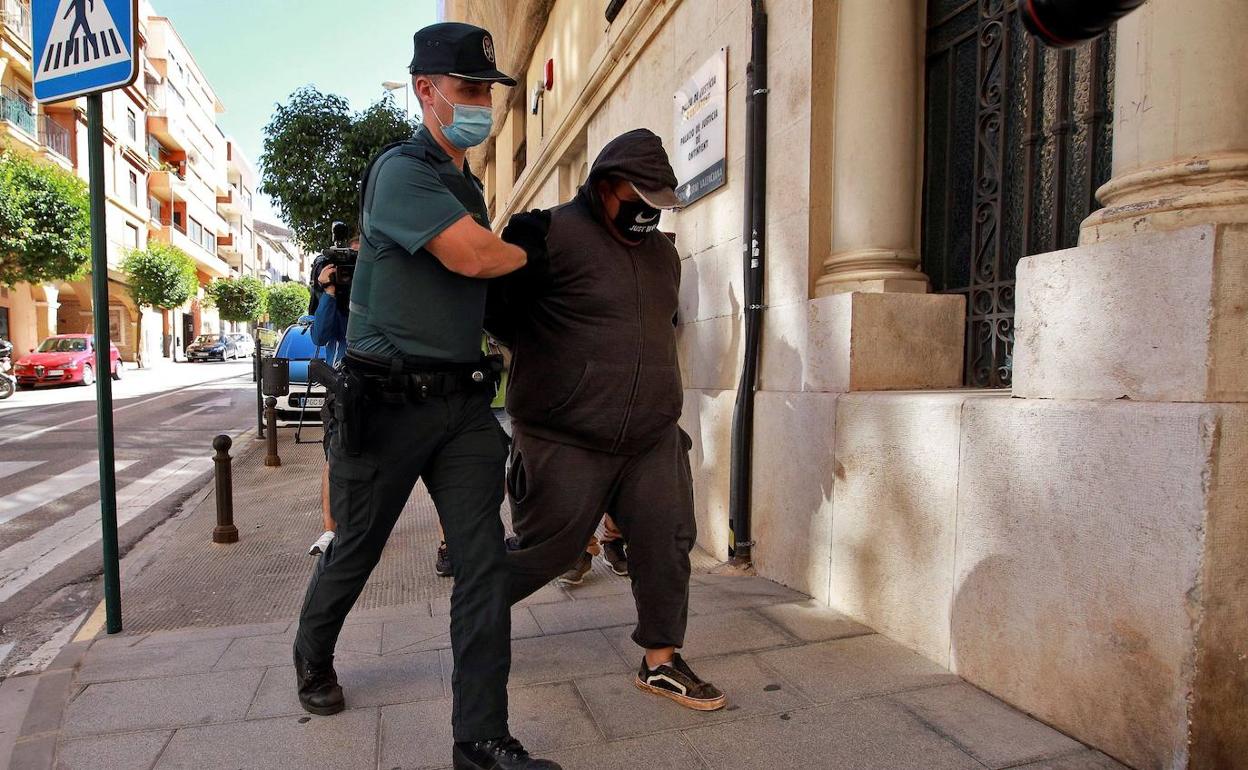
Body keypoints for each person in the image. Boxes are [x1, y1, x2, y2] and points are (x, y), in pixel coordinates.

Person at [292, 22, 559, 770]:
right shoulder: (402, 170)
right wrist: (533, 253)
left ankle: (480, 740)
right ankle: (312, 654)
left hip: (463, 406)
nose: (481, 103)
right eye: (468, 90)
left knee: (482, 562)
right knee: (356, 550)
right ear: (426, 90)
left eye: (486, 91)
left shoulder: (464, 181)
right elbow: (475, 256)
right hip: (385, 405)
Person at [490, 128, 725, 712]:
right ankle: (475, 611)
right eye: (636, 199)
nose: (647, 214)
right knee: (546, 552)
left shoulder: (664, 253)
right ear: (602, 185)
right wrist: (570, 374)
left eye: (658, 204)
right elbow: (498, 315)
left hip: (650, 434)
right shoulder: (541, 231)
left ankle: (661, 662)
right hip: (564, 434)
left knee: (666, 544)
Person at [306, 242, 452, 576]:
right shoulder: (336, 298)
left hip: (398, 387)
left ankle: (450, 543)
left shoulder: (392, 289)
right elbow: (321, 335)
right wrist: (329, 292)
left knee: (433, 463)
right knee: (338, 462)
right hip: (351, 392)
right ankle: (333, 533)